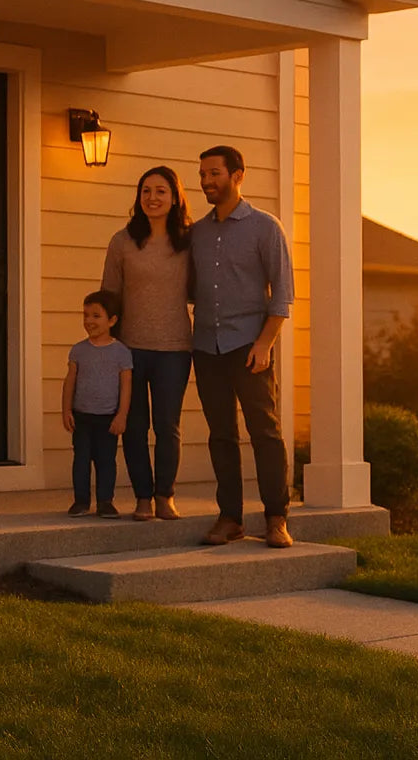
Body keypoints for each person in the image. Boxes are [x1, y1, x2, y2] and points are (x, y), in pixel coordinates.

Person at [191, 145, 295, 548]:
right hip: (207, 346)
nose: (206, 181)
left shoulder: (266, 227)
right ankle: (230, 518)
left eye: (214, 173)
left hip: (250, 347)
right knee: (221, 435)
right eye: (202, 174)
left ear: (237, 175)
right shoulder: (197, 233)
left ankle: (276, 518)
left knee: (265, 432)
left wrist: (265, 343)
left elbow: (282, 296)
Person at [101, 166, 194, 522]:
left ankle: (164, 495)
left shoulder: (189, 242)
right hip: (130, 349)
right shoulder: (122, 241)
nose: (152, 198)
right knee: (135, 427)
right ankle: (143, 497)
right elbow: (110, 295)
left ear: (175, 197)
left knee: (167, 426)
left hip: (175, 349)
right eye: (146, 191)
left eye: (161, 191)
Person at [61, 289, 133, 519]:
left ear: (112, 320)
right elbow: (70, 382)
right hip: (82, 416)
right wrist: (66, 410)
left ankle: (105, 502)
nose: (89, 321)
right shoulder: (78, 350)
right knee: (81, 459)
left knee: (106, 461)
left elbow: (126, 386)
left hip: (107, 418)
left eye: (95, 315)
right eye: (85, 315)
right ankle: (81, 501)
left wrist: (121, 415)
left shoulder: (121, 352)